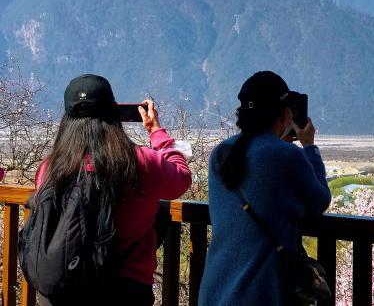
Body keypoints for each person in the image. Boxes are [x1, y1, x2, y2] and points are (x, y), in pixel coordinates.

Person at [34, 74, 192, 306]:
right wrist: (157, 133)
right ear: (113, 112)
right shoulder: (139, 162)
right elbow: (181, 178)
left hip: (62, 289)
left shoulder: (49, 168)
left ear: (67, 118)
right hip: (126, 290)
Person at [199, 71, 332, 306]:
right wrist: (309, 147)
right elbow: (319, 200)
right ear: (285, 114)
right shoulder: (287, 155)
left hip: (215, 289)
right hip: (260, 291)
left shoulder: (221, 153)